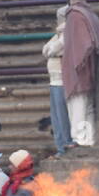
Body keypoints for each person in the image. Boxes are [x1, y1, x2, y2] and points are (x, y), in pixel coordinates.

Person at [62, 0, 99, 147]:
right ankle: (90, 140)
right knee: (88, 108)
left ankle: (80, 140)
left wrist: (78, 64)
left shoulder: (75, 15)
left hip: (79, 69)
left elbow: (83, 44)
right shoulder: (90, 13)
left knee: (78, 107)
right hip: (91, 67)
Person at [42, 8, 73, 156]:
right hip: (53, 81)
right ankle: (60, 147)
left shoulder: (68, 33)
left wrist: (52, 52)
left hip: (62, 81)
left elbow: (53, 50)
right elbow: (45, 50)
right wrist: (51, 51)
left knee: (63, 117)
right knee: (56, 118)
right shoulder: (58, 34)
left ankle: (65, 145)